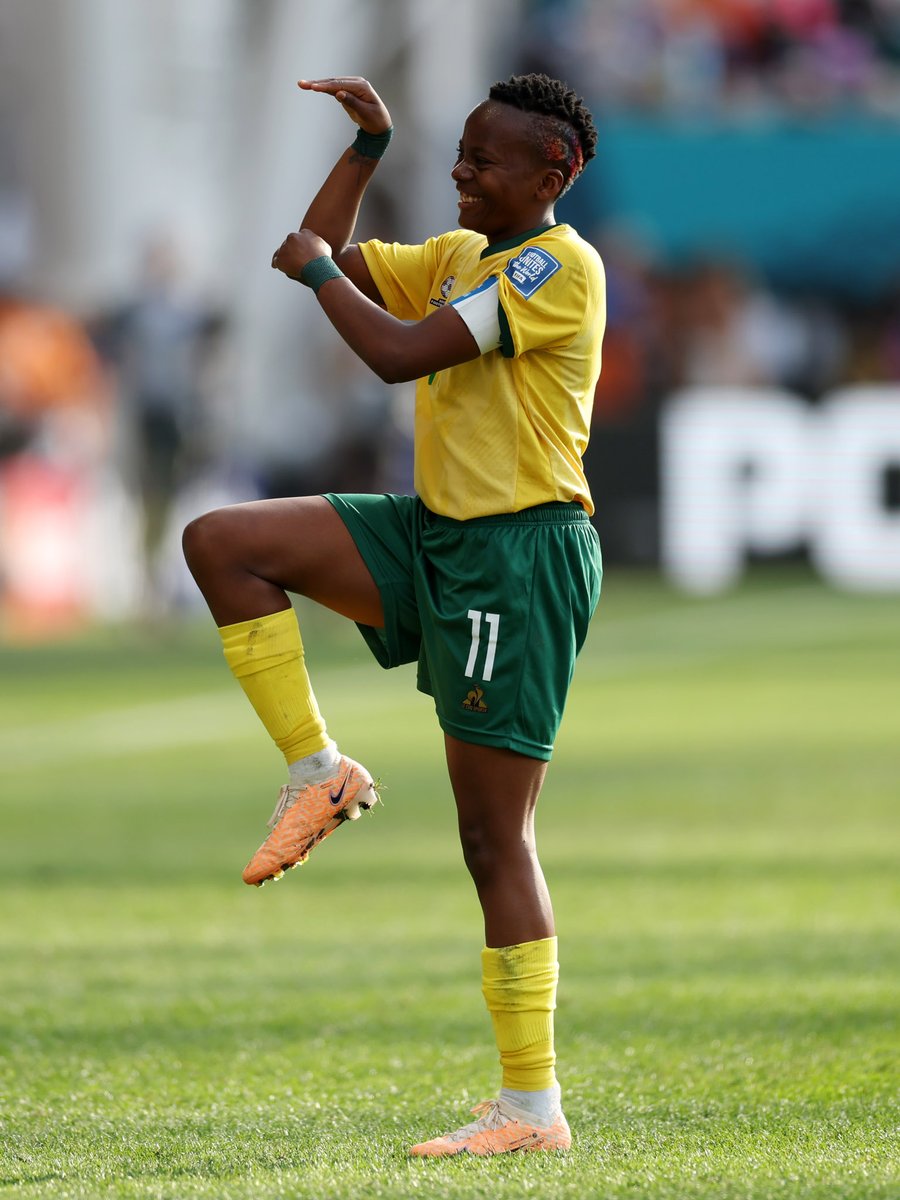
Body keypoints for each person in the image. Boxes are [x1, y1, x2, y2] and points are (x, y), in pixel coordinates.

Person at [183, 71, 604, 1157]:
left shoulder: (561, 266)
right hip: (439, 533)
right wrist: (368, 145)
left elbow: (395, 353)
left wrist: (321, 274)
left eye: (485, 158)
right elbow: (321, 242)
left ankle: (531, 1110)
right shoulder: (462, 254)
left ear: (552, 173)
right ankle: (318, 771)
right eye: (459, 151)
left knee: (491, 835)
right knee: (224, 543)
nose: (462, 171)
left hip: (517, 557)